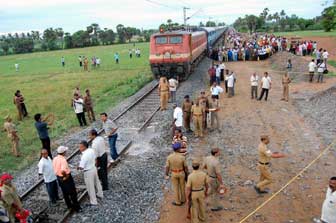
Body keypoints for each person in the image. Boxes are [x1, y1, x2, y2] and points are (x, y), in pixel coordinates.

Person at [53, 146, 81, 212]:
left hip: (59, 177)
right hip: (66, 178)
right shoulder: (63, 160)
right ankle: (77, 208)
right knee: (73, 193)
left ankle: (69, 206)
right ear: (63, 152)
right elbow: (63, 171)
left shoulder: (55, 158)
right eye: (65, 151)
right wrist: (66, 176)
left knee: (65, 193)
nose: (66, 152)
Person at [78, 141, 103, 206]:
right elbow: (95, 159)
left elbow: (81, 167)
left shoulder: (84, 156)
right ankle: (100, 194)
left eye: (80, 147)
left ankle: (93, 201)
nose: (79, 148)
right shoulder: (91, 150)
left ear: (84, 147)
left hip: (88, 172)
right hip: (93, 168)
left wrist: (78, 167)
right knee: (97, 182)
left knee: (90, 186)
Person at [165, 142, 189, 206]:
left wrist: (166, 174)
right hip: (181, 173)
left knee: (175, 188)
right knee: (182, 186)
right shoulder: (182, 157)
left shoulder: (169, 157)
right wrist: (187, 173)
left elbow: (167, 167)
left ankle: (177, 202)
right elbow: (185, 167)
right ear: (179, 149)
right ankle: (183, 199)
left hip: (173, 173)